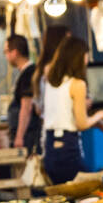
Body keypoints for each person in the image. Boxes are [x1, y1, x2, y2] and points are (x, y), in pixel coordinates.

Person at [41, 34, 103, 184]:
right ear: (78, 57)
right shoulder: (77, 84)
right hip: (67, 148)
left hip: (50, 147)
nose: (87, 60)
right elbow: (81, 124)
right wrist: (102, 114)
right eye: (86, 55)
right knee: (89, 191)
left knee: (65, 195)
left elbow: (65, 114)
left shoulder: (51, 79)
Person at [28, 23, 70, 153]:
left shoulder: (39, 72)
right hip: (63, 134)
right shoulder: (56, 74)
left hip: (47, 132)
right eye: (68, 41)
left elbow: (38, 109)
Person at [3, 32, 38, 154]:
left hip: (29, 135)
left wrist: (19, 136)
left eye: (6, 52)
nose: (6, 56)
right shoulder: (25, 73)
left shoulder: (28, 73)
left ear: (15, 52)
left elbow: (26, 106)